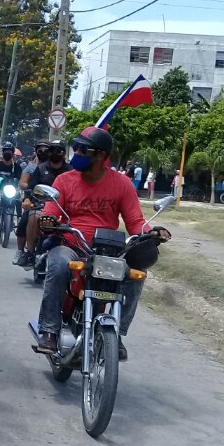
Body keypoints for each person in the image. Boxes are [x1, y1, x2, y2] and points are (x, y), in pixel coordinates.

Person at [32, 127, 170, 360]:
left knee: (136, 275)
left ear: (100, 156)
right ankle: (49, 331)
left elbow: (135, 221)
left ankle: (117, 334)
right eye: (76, 147)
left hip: (108, 251)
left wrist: (151, 233)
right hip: (73, 246)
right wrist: (49, 220)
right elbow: (52, 209)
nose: (76, 152)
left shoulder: (121, 183)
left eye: (82, 149)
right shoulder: (64, 180)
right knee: (56, 263)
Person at [15, 140, 69, 266]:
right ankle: (29, 252)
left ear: (64, 154)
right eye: (52, 150)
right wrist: (27, 199)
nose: (55, 153)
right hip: (40, 204)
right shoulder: (40, 169)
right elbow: (30, 187)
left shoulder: (70, 171)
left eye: (59, 151)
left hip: (62, 208)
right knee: (31, 217)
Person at [0, 141, 23, 224]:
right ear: (2, 152)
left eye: (9, 151)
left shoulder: (17, 167)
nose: (7, 153)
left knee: (19, 200)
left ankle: (19, 218)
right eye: (6, 151)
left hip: (12, 189)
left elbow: (21, 180)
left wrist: (21, 189)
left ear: (13, 153)